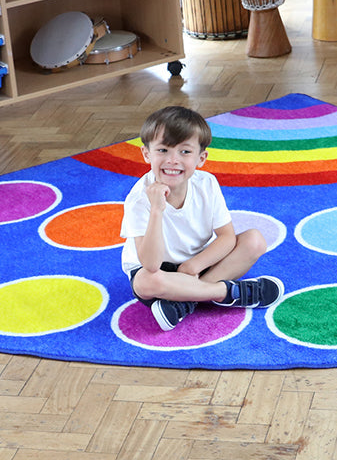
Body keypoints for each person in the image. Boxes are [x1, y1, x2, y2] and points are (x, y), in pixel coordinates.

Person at [121, 105, 283, 330]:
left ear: (201, 158)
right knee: (146, 282)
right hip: (159, 271)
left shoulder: (206, 183)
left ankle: (186, 302)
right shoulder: (139, 199)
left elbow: (226, 238)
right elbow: (150, 264)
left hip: (199, 262)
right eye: (163, 150)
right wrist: (157, 210)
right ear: (146, 153)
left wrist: (193, 266)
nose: (173, 160)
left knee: (254, 240)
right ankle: (227, 292)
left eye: (185, 152)